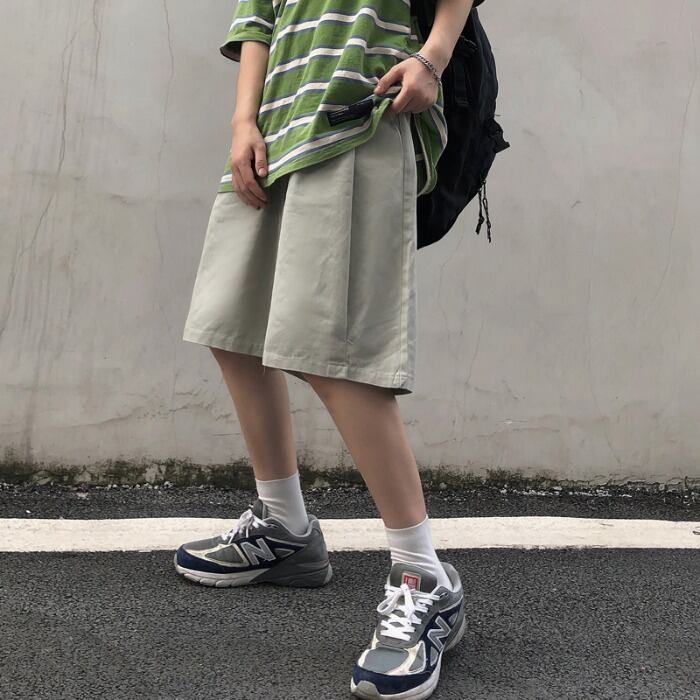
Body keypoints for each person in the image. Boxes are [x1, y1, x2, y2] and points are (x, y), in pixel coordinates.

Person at [175, 1, 474, 697]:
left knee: (336, 354)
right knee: (233, 329)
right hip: (276, 128)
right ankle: (285, 527)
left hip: (358, 117)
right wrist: (243, 121)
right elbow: (258, 20)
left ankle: (423, 577)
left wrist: (432, 58)